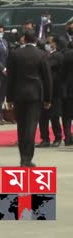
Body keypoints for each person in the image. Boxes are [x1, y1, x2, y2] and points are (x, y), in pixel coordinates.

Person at [6, 30, 52, 167]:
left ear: (24, 40)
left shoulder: (15, 54)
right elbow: (47, 78)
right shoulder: (42, 55)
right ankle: (27, 158)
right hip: (35, 95)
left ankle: (22, 157)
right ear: (36, 40)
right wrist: (48, 99)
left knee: (21, 126)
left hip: (19, 94)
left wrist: (9, 98)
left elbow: (11, 78)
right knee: (31, 126)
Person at [37, 36, 64, 148]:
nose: (47, 44)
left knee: (54, 116)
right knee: (43, 117)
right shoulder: (45, 55)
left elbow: (48, 65)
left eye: (49, 42)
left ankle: (57, 138)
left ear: (55, 44)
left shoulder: (57, 55)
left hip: (55, 91)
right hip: (44, 90)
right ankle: (45, 139)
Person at [62, 48, 73, 146]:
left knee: (67, 116)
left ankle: (68, 137)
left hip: (68, 88)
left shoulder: (66, 54)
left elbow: (63, 72)